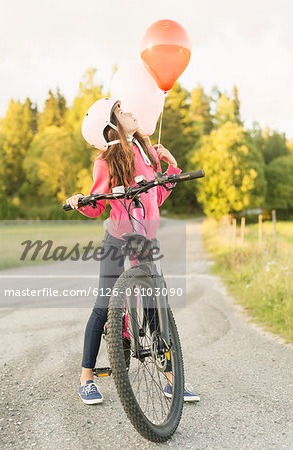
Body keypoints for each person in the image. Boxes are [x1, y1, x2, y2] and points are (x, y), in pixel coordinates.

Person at [66, 98, 200, 405]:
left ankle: (170, 380)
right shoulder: (106, 161)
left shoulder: (146, 151)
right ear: (111, 127)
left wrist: (171, 166)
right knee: (104, 306)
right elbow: (98, 203)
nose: (130, 112)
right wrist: (81, 200)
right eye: (121, 112)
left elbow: (156, 196)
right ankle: (86, 378)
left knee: (154, 307)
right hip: (117, 238)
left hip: (145, 239)